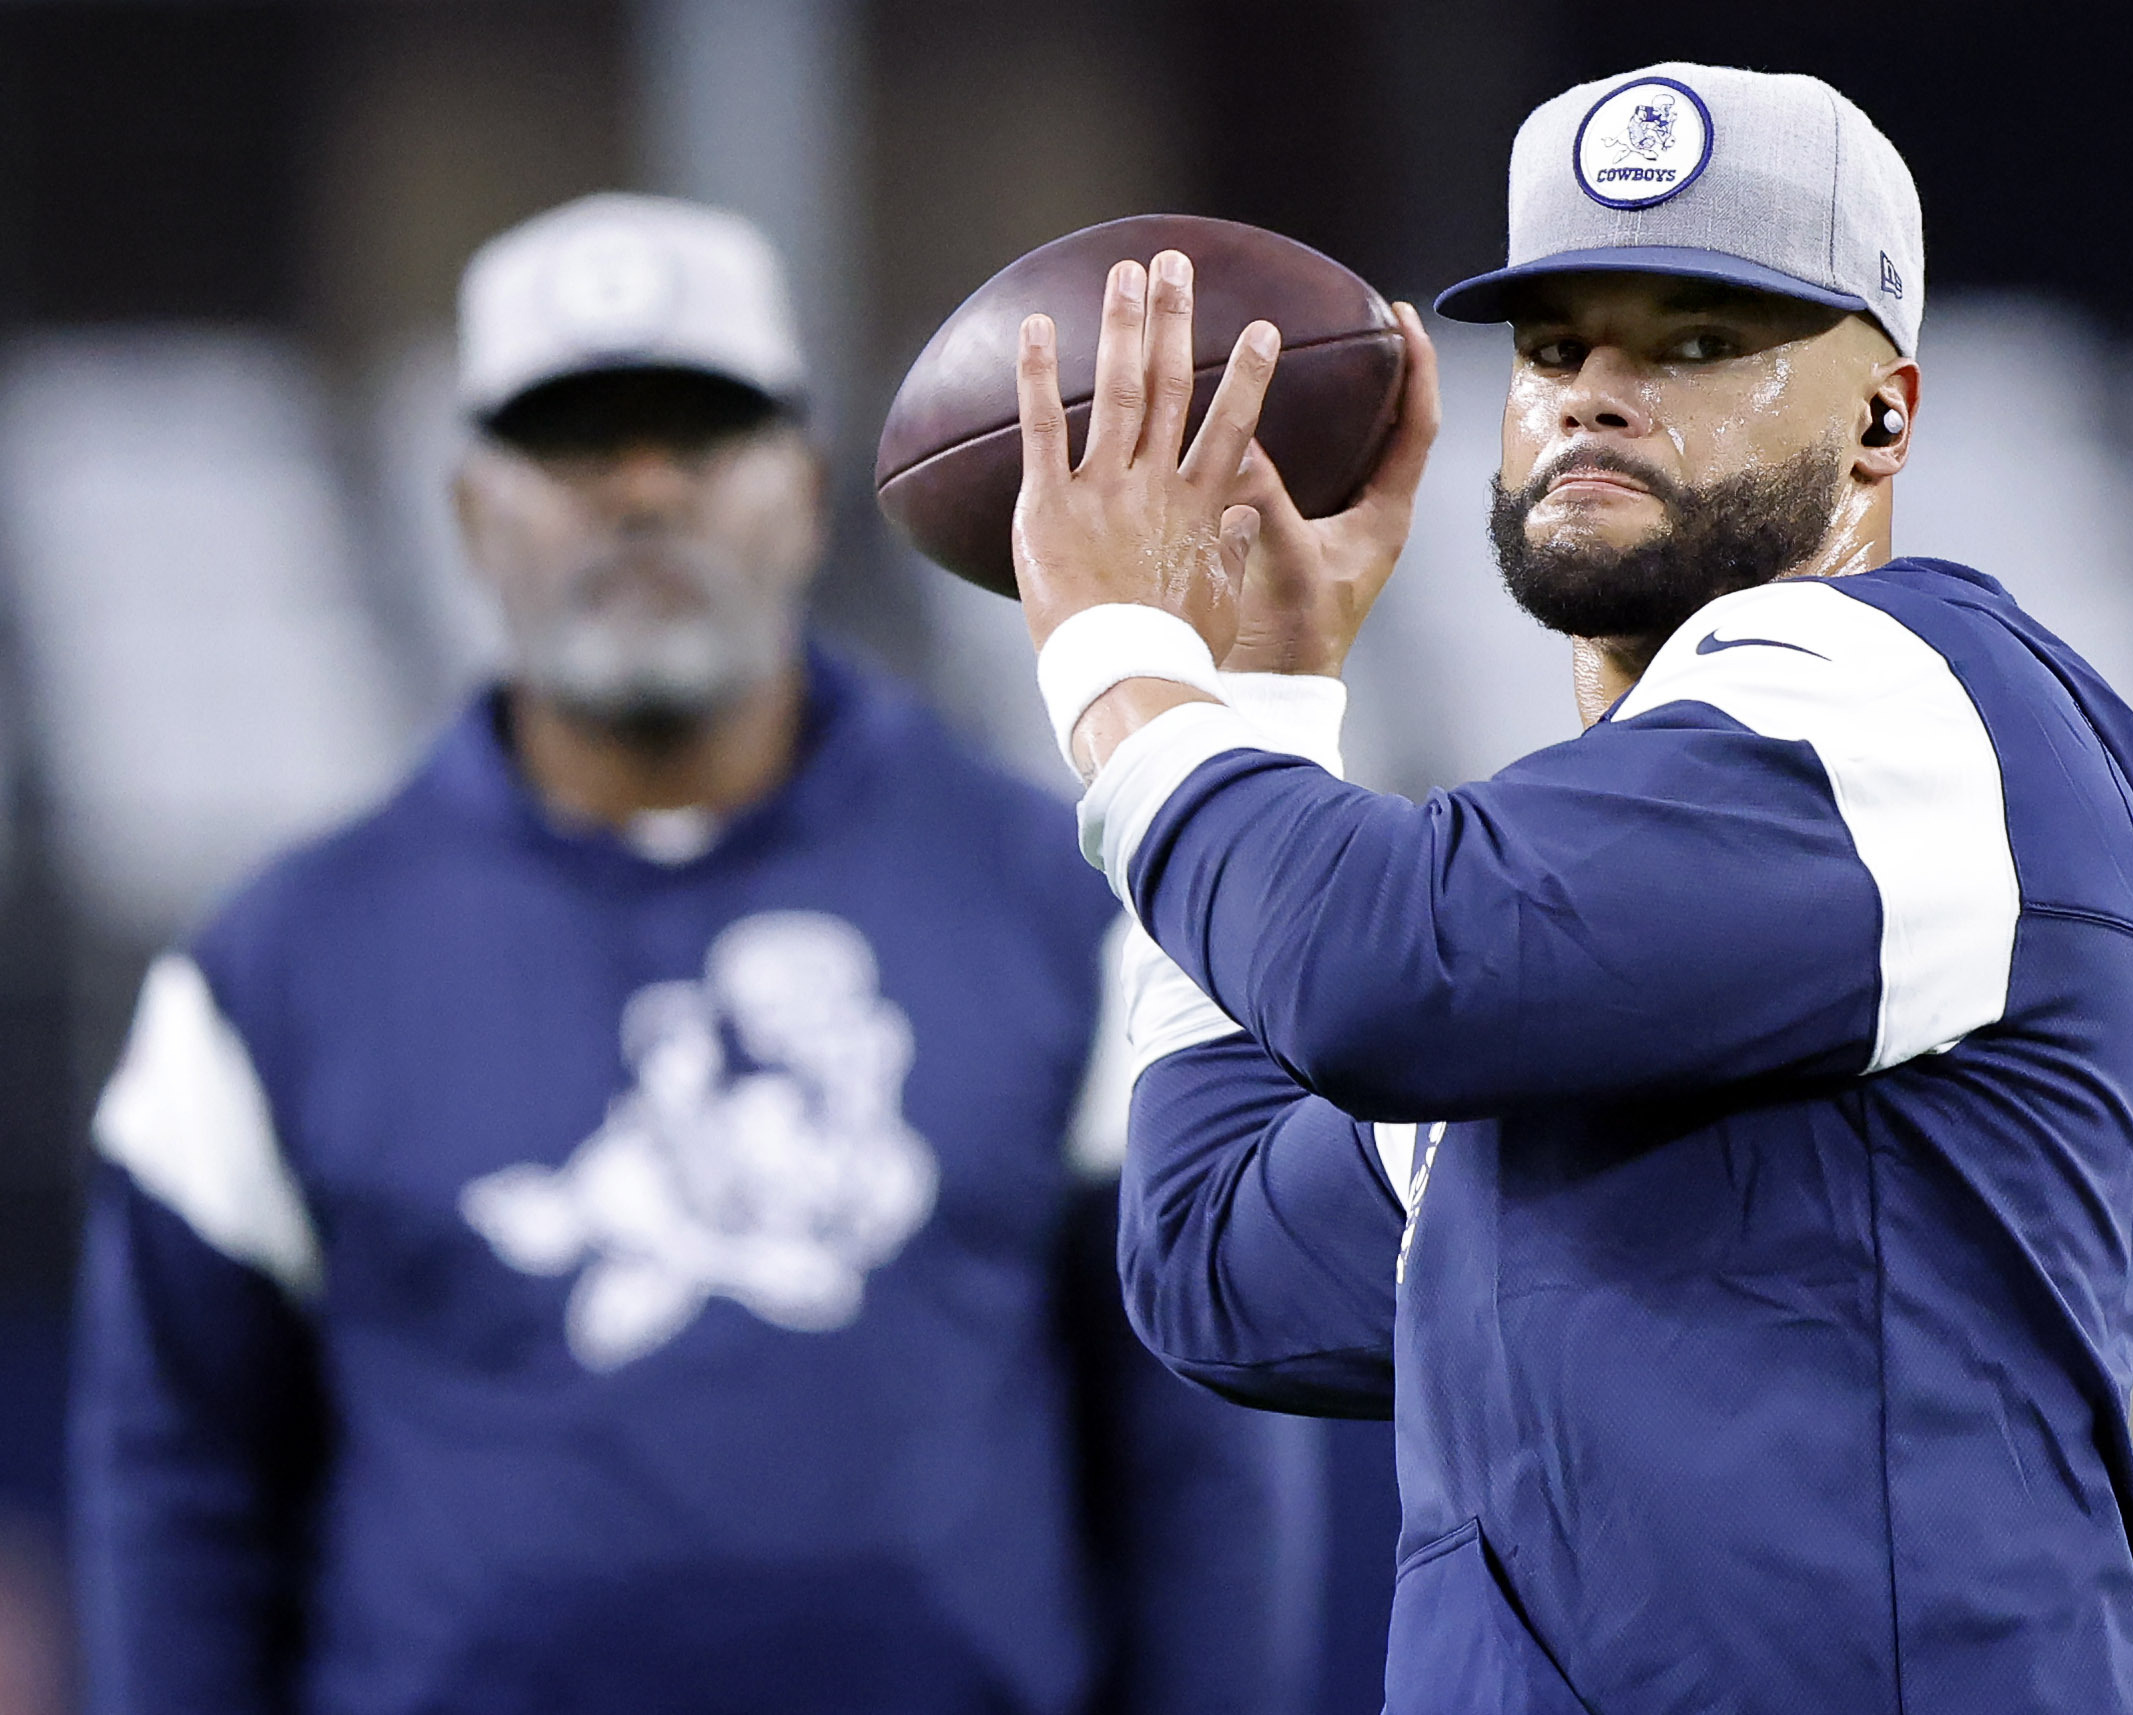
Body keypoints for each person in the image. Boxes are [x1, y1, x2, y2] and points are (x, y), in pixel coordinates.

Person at [1004, 62, 2133, 1714]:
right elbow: (1224, 1273)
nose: (1595, 394)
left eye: (1697, 343)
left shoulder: (1912, 690)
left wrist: (1119, 662)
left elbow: (1383, 972)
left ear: (1883, 416)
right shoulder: (1602, 903)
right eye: (1557, 347)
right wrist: (1261, 700)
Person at [71, 193, 1301, 1715]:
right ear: (468, 508)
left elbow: (1197, 1472)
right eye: (575, 439)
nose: (642, 492)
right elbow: (174, 1501)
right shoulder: (269, 973)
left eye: (700, 433)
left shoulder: (1067, 903)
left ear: (802, 487)